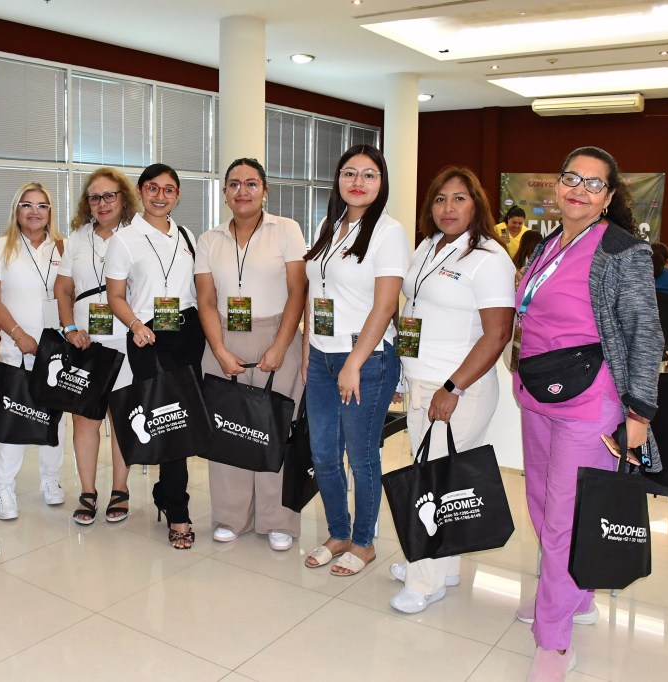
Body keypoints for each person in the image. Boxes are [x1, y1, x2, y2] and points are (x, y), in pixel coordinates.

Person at [514, 146, 662, 681]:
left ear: (608, 196)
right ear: (557, 186)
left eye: (593, 183)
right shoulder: (547, 244)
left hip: (590, 402)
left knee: (565, 517)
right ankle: (574, 596)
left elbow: (646, 334)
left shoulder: (623, 250)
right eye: (570, 178)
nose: (579, 189)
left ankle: (554, 641)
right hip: (537, 393)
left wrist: (639, 413)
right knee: (540, 503)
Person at [388, 167, 515, 613]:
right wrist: (405, 373)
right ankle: (446, 568)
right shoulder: (429, 246)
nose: (448, 208)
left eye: (460, 198)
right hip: (422, 381)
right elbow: (415, 308)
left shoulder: (490, 259)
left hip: (459, 389)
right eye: (441, 199)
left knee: (433, 484)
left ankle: (424, 582)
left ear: (477, 204)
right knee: (444, 477)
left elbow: (498, 334)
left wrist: (453, 387)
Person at [302, 144, 409, 576]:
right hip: (321, 356)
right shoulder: (329, 224)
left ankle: (364, 542)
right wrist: (309, 348)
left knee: (361, 456)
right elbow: (317, 291)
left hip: (365, 359)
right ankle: (338, 533)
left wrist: (353, 363)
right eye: (350, 173)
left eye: (369, 175)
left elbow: (384, 306)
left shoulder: (389, 232)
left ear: (382, 182)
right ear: (338, 179)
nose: (358, 182)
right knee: (323, 454)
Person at [195, 158, 307, 551]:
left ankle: (278, 519)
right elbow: (206, 300)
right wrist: (219, 350)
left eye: (251, 183)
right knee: (228, 429)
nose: (242, 191)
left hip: (276, 334)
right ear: (225, 191)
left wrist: (280, 346)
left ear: (265, 190)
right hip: (224, 336)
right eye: (234, 184)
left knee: (276, 428)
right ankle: (231, 515)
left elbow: (298, 292)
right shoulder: (209, 240)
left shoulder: (286, 230)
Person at [105, 163, 203, 550]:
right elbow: (115, 296)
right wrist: (134, 325)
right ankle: (178, 512)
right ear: (140, 191)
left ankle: (165, 491)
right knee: (169, 421)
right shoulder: (124, 239)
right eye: (153, 188)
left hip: (188, 334)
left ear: (177, 195)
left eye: (169, 190)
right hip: (148, 336)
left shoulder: (187, 236)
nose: (160, 196)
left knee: (183, 420)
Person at [55, 169, 139, 526]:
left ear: (123, 198)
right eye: (94, 197)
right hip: (85, 342)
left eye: (109, 196)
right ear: (86, 203)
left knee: (121, 417)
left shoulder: (137, 235)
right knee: (84, 419)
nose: (102, 203)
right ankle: (88, 491)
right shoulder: (76, 239)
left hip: (127, 340)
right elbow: (63, 290)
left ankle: (120, 488)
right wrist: (69, 328)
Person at [0, 182, 67, 520]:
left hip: (56, 349)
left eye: (42, 205)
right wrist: (18, 335)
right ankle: (3, 488)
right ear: (16, 209)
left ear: (50, 212)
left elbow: (70, 294)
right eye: (27, 205)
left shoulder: (62, 247)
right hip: (19, 348)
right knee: (14, 417)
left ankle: (51, 480)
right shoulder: (0, 247)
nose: (35, 211)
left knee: (55, 419)